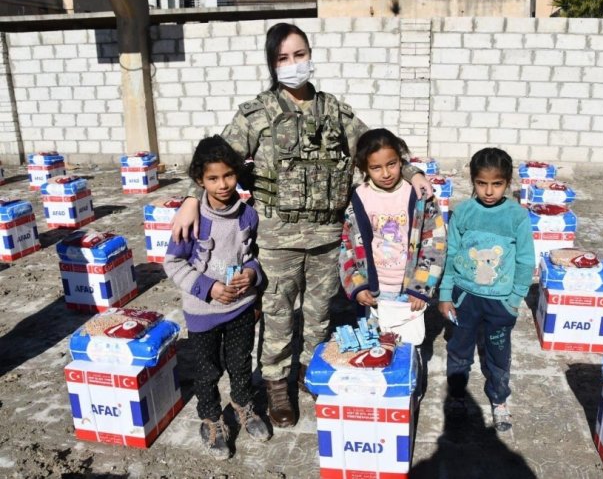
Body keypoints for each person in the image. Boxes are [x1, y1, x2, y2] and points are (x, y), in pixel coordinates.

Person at [170, 23, 432, 427]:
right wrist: (191, 198)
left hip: (328, 238)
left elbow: (374, 148)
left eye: (300, 54)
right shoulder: (256, 114)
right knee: (276, 313)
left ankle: (313, 370)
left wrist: (412, 172)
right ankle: (277, 384)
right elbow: (216, 161)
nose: (294, 64)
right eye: (283, 58)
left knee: (319, 313)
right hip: (277, 239)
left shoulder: (336, 112)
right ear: (273, 65)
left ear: (310, 55)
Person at [164, 135, 271, 460]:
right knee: (207, 371)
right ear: (200, 180)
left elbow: (252, 256)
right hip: (203, 313)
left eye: (228, 175)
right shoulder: (193, 220)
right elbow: (172, 262)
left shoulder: (248, 216)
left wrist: (252, 274)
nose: (222, 184)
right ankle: (211, 420)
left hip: (240, 307)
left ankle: (243, 406)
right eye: (213, 178)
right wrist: (208, 287)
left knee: (241, 364)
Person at [437, 147, 535, 432]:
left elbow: (525, 260)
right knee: (459, 350)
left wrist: (514, 300)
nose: (489, 191)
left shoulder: (517, 216)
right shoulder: (464, 212)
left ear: (507, 183)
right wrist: (445, 295)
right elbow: (451, 253)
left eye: (497, 184)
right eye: (482, 183)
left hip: (500, 304)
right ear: (472, 181)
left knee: (498, 354)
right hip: (464, 300)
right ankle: (457, 396)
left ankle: (499, 398)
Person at [338, 128, 446, 331]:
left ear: (401, 160)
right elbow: (348, 246)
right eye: (376, 168)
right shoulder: (359, 198)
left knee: (406, 349)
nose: (386, 173)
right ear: (365, 168)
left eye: (392, 164)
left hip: (409, 292)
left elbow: (435, 243)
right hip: (374, 293)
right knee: (376, 349)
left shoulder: (418, 195)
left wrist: (420, 287)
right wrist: (357, 285)